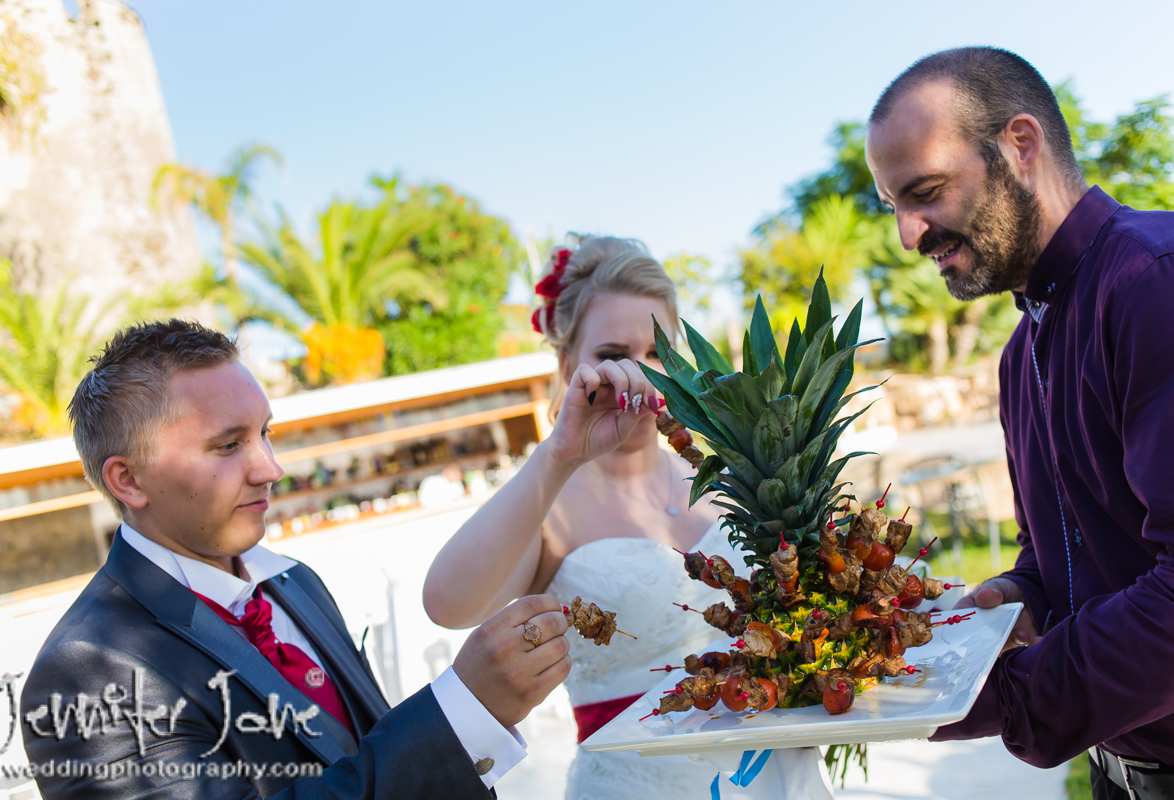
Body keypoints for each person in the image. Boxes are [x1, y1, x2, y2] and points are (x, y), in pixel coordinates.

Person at [21, 319, 571, 799]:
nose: (270, 468)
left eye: (265, 433)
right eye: (227, 445)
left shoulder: (295, 582)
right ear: (129, 479)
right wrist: (464, 709)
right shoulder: (88, 673)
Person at [865, 47, 1174, 799]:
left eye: (926, 191)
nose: (909, 235)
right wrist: (1002, 605)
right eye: (893, 206)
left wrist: (992, 698)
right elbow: (1062, 560)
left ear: (1020, 145)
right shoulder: (1019, 354)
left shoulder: (1151, 283)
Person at [423, 237, 832, 800]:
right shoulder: (547, 503)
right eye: (615, 352)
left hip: (782, 779)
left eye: (659, 352)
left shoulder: (728, 480)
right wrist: (561, 453)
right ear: (570, 366)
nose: (642, 376)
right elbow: (449, 605)